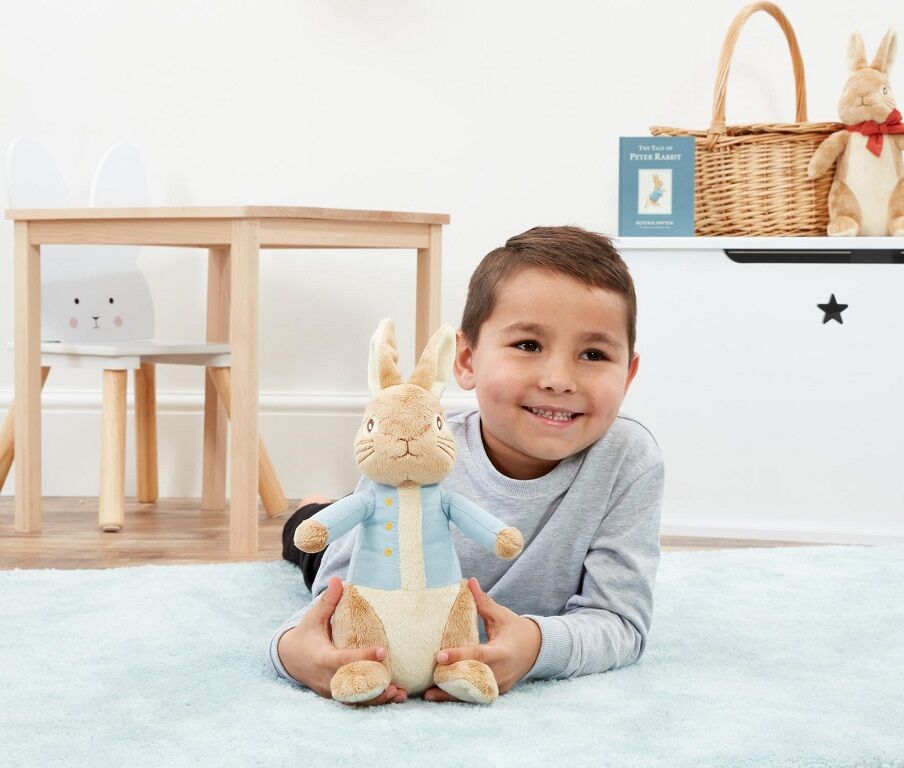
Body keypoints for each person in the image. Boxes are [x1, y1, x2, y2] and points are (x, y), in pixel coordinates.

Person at [269, 225, 664, 705]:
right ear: (467, 359)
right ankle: (314, 508)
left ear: (628, 373)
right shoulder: (414, 452)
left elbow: (620, 622)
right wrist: (292, 652)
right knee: (309, 538)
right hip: (379, 566)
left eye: (594, 354)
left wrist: (536, 648)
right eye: (528, 345)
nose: (559, 379)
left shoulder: (629, 459)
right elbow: (331, 600)